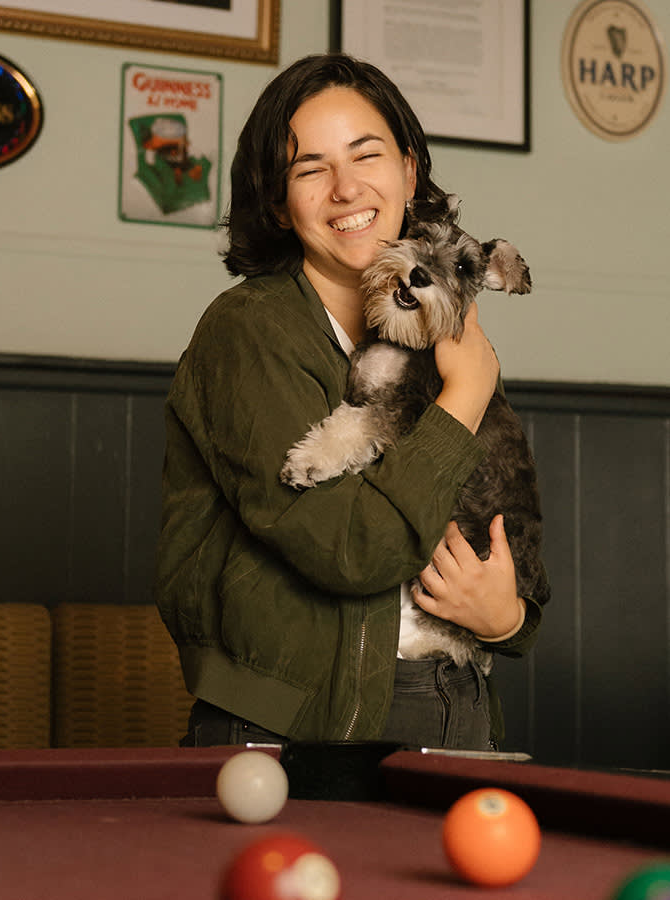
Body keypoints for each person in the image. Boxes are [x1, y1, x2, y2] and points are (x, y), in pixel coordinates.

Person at [155, 53, 547, 750]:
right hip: (289, 722)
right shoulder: (247, 332)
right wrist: (463, 395)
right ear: (279, 202)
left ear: (408, 171)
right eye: (310, 169)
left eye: (365, 155)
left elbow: (507, 523)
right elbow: (351, 553)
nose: (344, 189)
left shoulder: (444, 331)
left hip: (455, 703)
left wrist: (507, 619)